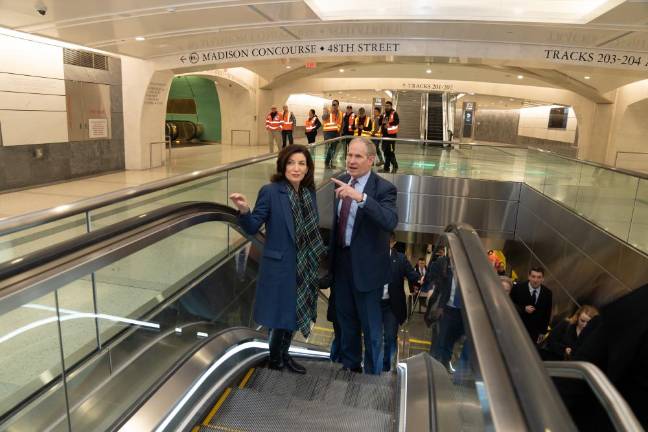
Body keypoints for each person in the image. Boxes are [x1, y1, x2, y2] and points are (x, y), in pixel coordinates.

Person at [229, 145, 326, 374]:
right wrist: (244, 210)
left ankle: (285, 354)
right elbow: (253, 227)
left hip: (304, 265)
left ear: (308, 168)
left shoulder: (307, 193)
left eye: (301, 163)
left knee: (294, 314)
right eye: (291, 162)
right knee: (281, 316)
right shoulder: (271, 191)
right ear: (283, 166)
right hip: (280, 266)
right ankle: (275, 360)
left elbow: (310, 232)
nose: (296, 168)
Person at [328, 136, 398, 375]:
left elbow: (389, 220)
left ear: (370, 160)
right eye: (349, 155)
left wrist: (361, 198)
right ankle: (350, 367)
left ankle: (371, 376)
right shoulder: (340, 181)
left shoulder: (384, 189)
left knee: (371, 329)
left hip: (368, 272)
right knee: (346, 323)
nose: (351, 160)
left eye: (357, 156)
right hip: (342, 266)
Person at [382, 232, 420, 372]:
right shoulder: (373, 255)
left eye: (388, 242)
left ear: (393, 243)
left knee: (390, 337)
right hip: (374, 303)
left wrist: (420, 279)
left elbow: (412, 274)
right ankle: (374, 367)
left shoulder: (400, 259)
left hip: (392, 306)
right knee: (374, 336)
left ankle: (388, 367)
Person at [426, 251, 463, 370]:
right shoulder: (443, 263)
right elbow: (431, 278)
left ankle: (445, 361)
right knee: (439, 336)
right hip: (444, 307)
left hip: (461, 310)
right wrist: (431, 288)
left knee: (452, 338)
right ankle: (434, 363)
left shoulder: (469, 268)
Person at [509, 267, 553, 344]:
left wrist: (543, 332)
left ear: (543, 279)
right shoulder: (518, 288)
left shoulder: (548, 293)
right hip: (517, 327)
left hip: (534, 333)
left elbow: (547, 313)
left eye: (539, 277)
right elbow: (509, 304)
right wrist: (523, 309)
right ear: (529, 277)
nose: (535, 280)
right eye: (533, 276)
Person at [381, 101, 400, 173]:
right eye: (386, 106)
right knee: (385, 151)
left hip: (391, 136)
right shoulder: (384, 114)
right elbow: (381, 123)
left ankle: (389, 166)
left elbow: (397, 122)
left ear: (391, 106)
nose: (387, 107)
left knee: (390, 152)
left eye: (388, 106)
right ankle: (391, 165)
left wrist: (389, 124)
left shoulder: (394, 113)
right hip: (385, 135)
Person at [323, 100, 342, 169]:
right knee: (330, 148)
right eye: (333, 104)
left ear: (338, 105)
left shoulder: (340, 113)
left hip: (336, 133)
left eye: (335, 104)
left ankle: (331, 163)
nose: (334, 106)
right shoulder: (328, 111)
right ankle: (327, 162)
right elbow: (323, 118)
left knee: (334, 148)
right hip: (328, 132)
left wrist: (340, 133)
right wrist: (328, 112)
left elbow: (340, 123)